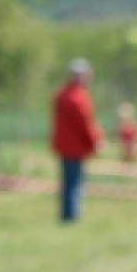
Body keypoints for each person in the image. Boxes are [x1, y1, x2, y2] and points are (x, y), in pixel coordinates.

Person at [50, 59, 102, 222]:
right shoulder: (78, 98)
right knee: (74, 182)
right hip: (76, 146)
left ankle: (67, 214)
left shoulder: (61, 94)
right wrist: (95, 141)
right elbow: (85, 123)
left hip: (63, 145)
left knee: (68, 181)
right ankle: (71, 216)